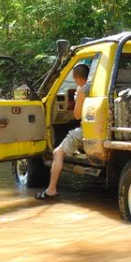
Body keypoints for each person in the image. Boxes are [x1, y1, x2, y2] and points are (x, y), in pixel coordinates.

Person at [36, 63, 90, 200]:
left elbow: (77, 116)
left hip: (87, 130)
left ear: (77, 78)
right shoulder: (96, 85)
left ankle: (51, 190)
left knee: (57, 152)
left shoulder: (82, 89)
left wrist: (77, 99)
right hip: (99, 129)